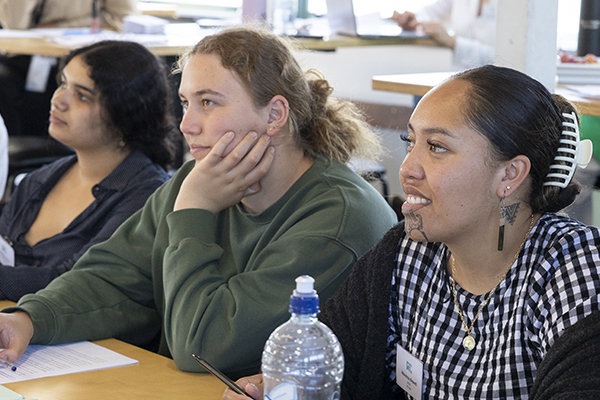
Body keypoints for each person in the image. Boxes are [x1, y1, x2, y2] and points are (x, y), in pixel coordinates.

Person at [0, 27, 397, 378]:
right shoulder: (203, 180)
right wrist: (28, 319)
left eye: (208, 102)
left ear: (275, 115)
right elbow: (112, 277)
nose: (187, 124)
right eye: (186, 102)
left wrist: (196, 211)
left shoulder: (338, 219)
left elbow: (203, 347)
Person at [223, 65, 600, 399]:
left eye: (436, 147)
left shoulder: (576, 272)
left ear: (510, 174)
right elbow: (337, 373)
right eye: (410, 142)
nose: (407, 169)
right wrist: (288, 389)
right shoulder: (405, 253)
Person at [0, 40, 176, 302]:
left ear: (123, 115)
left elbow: (76, 282)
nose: (58, 100)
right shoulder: (38, 180)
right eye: (62, 83)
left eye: (82, 96)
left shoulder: (146, 196)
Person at [0, 0, 138, 137]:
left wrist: (58, 26)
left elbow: (124, 19)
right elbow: (14, 25)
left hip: (86, 59)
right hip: (28, 57)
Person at [391, 0, 496, 69]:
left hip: (496, 85)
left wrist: (453, 42)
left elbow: (503, 59)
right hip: (461, 77)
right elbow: (430, 12)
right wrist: (415, 20)